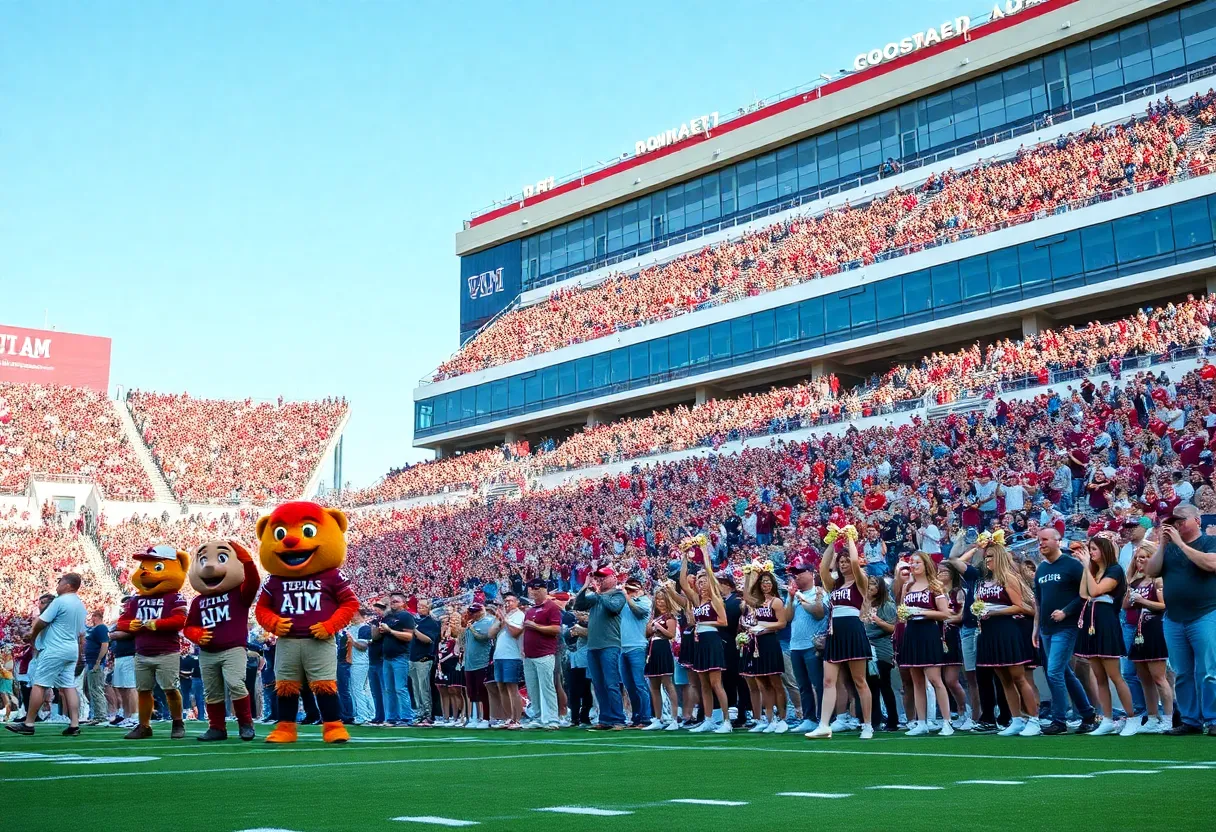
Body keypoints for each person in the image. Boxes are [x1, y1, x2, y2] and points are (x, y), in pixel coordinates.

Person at [1146, 503, 1216, 734]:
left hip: (1205, 613)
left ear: (1197, 520)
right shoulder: (1169, 548)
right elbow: (1152, 571)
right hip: (1174, 618)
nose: (1176, 525)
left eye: (1181, 520)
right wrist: (1163, 544)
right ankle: (1190, 720)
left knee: (1209, 671)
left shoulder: (1208, 541)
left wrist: (1178, 543)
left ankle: (1213, 719)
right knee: (1182, 672)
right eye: (1173, 521)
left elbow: (1211, 563)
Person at [807, 535, 874, 740]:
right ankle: (824, 725)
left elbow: (855, 562)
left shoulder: (861, 582)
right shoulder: (834, 585)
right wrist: (831, 540)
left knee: (859, 680)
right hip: (834, 632)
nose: (844, 564)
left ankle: (868, 725)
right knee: (828, 680)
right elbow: (822, 567)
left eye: (846, 561)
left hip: (853, 629)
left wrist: (852, 538)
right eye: (841, 562)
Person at [1032, 528, 1097, 734]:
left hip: (1066, 627)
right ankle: (1087, 714)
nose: (1040, 543)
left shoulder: (1072, 565)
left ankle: (1059, 720)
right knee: (1064, 672)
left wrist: (1066, 612)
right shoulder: (1041, 569)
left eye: (1044, 540)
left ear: (1057, 541)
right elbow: (1039, 601)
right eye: (1039, 540)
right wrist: (1036, 628)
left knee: (1054, 672)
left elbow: (1086, 594)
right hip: (1046, 629)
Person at [6, 572, 87, 736]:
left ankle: (29, 723)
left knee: (40, 684)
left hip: (55, 649)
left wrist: (32, 636)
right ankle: (74, 724)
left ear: (68, 585)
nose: (58, 584)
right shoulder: (80, 605)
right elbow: (80, 633)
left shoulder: (59, 601)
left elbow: (42, 622)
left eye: (60, 581)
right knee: (69, 686)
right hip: (70, 648)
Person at [975, 540, 1041, 736]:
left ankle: (1034, 720)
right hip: (988, 632)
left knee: (1018, 677)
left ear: (1000, 557)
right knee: (1003, 679)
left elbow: (1019, 606)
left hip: (1006, 630)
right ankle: (1017, 719)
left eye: (991, 557)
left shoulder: (1008, 578)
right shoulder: (983, 582)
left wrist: (994, 611)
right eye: (986, 556)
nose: (987, 560)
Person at [1074, 536, 1139, 736]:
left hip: (1106, 622)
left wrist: (1086, 566)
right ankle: (1108, 719)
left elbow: (1095, 591)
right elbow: (1084, 594)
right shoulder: (1095, 571)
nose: (1090, 553)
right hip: (1092, 622)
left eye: (1093, 549)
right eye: (1089, 549)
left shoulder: (1115, 570)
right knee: (1099, 676)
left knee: (1115, 675)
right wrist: (1087, 568)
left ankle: (1132, 718)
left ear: (1104, 550)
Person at [894, 552, 955, 736]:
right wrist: (904, 613)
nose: (913, 565)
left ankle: (946, 722)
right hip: (911, 633)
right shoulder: (908, 586)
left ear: (926, 564)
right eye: (911, 562)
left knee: (936, 679)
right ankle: (921, 722)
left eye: (917, 562)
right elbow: (902, 612)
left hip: (928, 632)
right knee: (917, 680)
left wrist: (922, 611)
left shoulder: (935, 586)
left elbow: (945, 614)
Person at [677, 547, 732, 733]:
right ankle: (708, 719)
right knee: (704, 684)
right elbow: (683, 582)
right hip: (699, 641)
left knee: (717, 683)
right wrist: (685, 557)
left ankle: (726, 721)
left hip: (711, 639)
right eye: (699, 582)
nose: (701, 584)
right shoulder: (696, 601)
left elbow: (723, 621)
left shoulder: (715, 599)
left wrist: (704, 553)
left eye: (704, 581)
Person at [1125, 547, 1173, 733]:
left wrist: (1143, 601)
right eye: (1138, 558)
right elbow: (1124, 606)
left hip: (1154, 628)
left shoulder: (1158, 580)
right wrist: (1130, 597)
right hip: (1138, 629)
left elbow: (1164, 605)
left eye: (1145, 557)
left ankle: (1168, 718)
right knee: (1144, 678)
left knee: (1159, 677)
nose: (1141, 561)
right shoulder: (1136, 581)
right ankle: (1152, 717)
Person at [574, 566, 627, 730]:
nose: (600, 580)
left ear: (613, 578)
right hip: (593, 646)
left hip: (610, 644)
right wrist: (584, 586)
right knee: (598, 684)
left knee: (611, 683)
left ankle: (618, 719)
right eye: (598, 577)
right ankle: (605, 719)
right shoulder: (596, 597)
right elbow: (579, 604)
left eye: (603, 577)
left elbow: (613, 608)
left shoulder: (618, 595)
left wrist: (598, 593)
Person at [740, 566, 787, 733]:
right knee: (762, 682)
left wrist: (764, 626)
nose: (765, 585)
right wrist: (747, 576)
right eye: (762, 582)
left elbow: (782, 623)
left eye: (767, 582)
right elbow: (745, 596)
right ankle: (770, 719)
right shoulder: (759, 602)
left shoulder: (776, 602)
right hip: (757, 643)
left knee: (775, 682)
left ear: (773, 584)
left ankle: (782, 718)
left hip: (770, 643)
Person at [784, 558, 828, 733]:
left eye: (800, 573)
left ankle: (825, 717)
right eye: (795, 574)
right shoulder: (794, 595)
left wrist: (801, 599)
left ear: (811, 574)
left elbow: (819, 613)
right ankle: (809, 718)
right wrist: (790, 597)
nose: (797, 577)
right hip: (795, 645)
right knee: (803, 685)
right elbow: (787, 618)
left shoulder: (820, 592)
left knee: (819, 683)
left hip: (813, 645)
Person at [522, 578, 562, 729]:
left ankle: (553, 718)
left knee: (547, 686)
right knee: (532, 688)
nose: (534, 591)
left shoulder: (551, 607)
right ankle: (537, 716)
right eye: (532, 588)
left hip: (544, 653)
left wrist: (535, 626)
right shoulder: (530, 610)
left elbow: (556, 629)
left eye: (537, 588)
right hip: (529, 655)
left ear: (545, 589)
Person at [642, 582, 680, 731]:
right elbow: (646, 634)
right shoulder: (653, 617)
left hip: (663, 648)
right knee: (654, 685)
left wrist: (658, 628)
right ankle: (657, 718)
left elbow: (671, 634)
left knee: (668, 683)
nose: (660, 602)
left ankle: (674, 718)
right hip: (652, 649)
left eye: (663, 599)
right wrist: (651, 627)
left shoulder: (670, 617)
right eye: (657, 599)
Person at [864, 576, 898, 732]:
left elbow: (893, 629)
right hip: (865, 647)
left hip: (882, 647)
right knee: (870, 686)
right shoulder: (862, 604)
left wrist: (878, 620)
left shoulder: (887, 605)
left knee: (884, 684)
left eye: (874, 584)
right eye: (869, 584)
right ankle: (874, 720)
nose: (870, 587)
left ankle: (893, 720)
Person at [376, 591, 416, 726]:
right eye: (391, 601)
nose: (393, 604)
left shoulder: (406, 616)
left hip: (400, 656)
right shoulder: (387, 617)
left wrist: (390, 631)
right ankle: (392, 717)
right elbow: (378, 636)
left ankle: (406, 717)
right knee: (389, 689)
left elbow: (409, 636)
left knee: (400, 688)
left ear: (403, 603)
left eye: (396, 601)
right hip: (387, 657)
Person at [619, 576, 653, 728]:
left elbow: (639, 612)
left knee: (639, 684)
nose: (629, 592)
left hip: (637, 646)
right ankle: (636, 716)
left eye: (631, 589)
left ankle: (646, 717)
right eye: (627, 589)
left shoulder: (645, 601)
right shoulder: (623, 603)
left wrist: (627, 598)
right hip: (622, 647)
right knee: (629, 685)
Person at [488, 592, 525, 729]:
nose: (507, 603)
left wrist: (505, 620)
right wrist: (499, 620)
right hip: (499, 656)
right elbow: (490, 634)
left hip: (512, 655)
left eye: (510, 601)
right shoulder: (504, 616)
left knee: (512, 688)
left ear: (517, 602)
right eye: (506, 601)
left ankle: (517, 719)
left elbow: (515, 633)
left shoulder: (520, 615)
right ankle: (508, 718)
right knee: (501, 687)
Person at [462, 603, 494, 728]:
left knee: (483, 691)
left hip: (482, 662)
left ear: (481, 611)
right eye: (471, 612)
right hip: (470, 662)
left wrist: (471, 628)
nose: (472, 614)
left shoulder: (487, 621)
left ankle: (486, 717)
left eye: (475, 612)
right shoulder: (472, 623)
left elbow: (483, 637)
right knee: (472, 692)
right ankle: (475, 716)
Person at [410, 600, 439, 725]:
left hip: (424, 658)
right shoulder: (415, 620)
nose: (420, 608)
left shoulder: (431, 622)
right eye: (419, 606)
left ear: (429, 608)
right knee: (416, 690)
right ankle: (419, 714)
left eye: (423, 606)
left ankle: (428, 715)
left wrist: (415, 631)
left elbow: (429, 640)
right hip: (412, 658)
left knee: (424, 689)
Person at [347, 610, 374, 725]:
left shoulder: (364, 628)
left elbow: (363, 646)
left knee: (357, 689)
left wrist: (352, 641)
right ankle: (371, 714)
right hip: (357, 662)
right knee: (365, 689)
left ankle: (362, 715)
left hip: (360, 662)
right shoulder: (352, 627)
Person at [82, 610, 109, 725]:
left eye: (92, 617)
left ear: (97, 617)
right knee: (92, 689)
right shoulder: (95, 629)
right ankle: (97, 714)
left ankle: (101, 716)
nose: (91, 619)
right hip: (91, 661)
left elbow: (105, 644)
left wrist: (98, 661)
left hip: (95, 662)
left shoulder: (101, 628)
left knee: (96, 689)